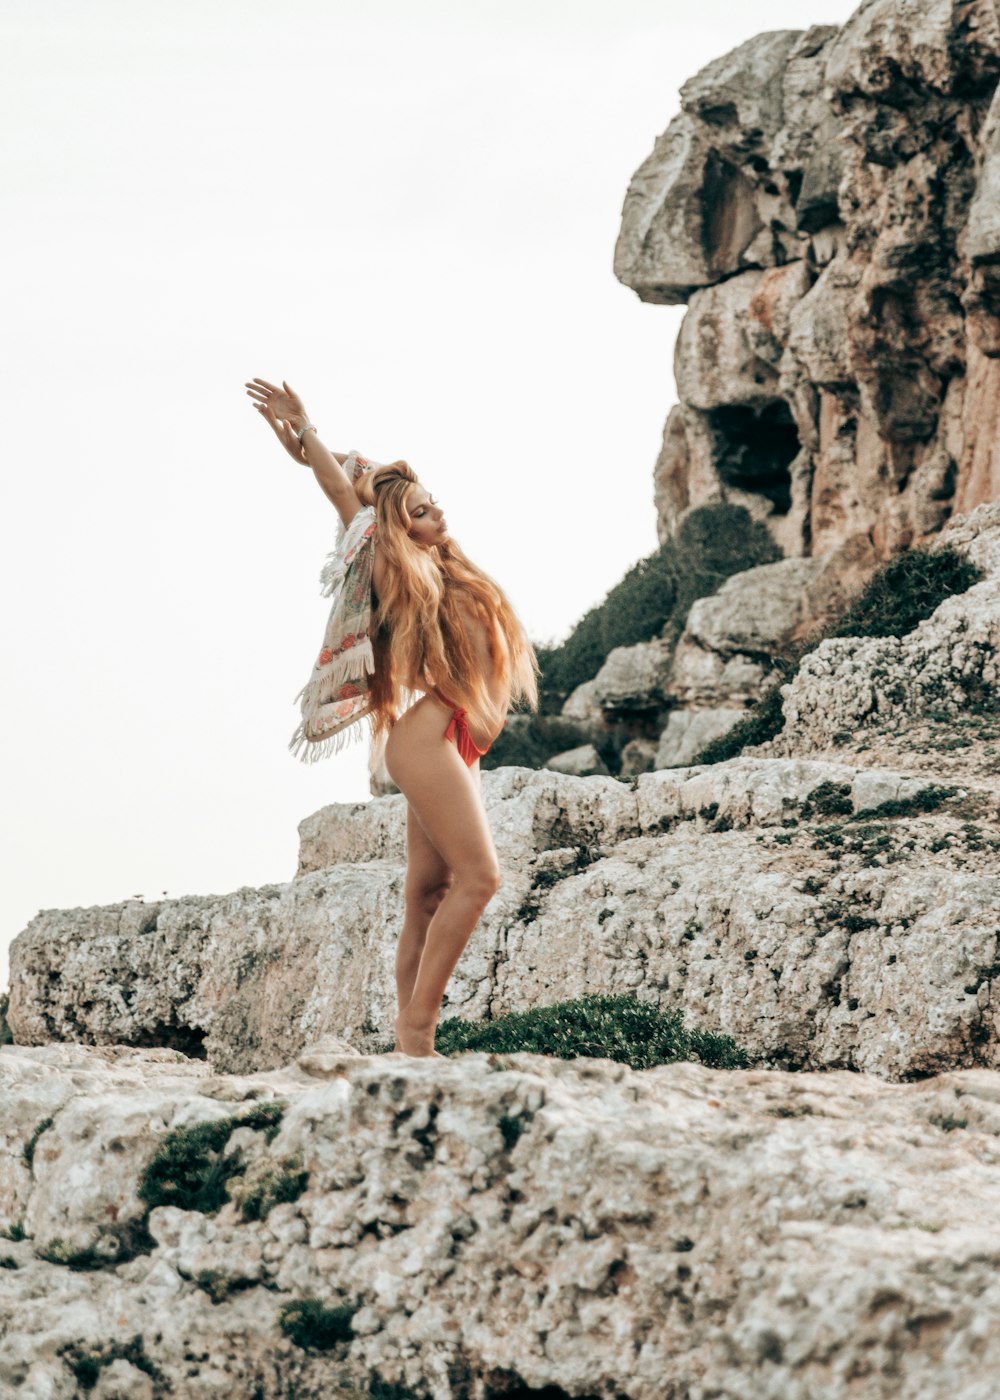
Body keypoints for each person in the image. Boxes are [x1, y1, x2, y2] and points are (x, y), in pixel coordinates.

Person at [245, 377, 539, 1058]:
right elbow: (349, 497)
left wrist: (336, 453)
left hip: (455, 741)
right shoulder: (401, 569)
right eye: (425, 512)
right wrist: (307, 431)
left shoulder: (454, 568)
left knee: (429, 895)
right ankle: (419, 1032)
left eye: (436, 505)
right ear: (401, 528)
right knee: (481, 879)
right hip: (427, 736)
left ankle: (409, 1045)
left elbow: (370, 479)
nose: (440, 515)